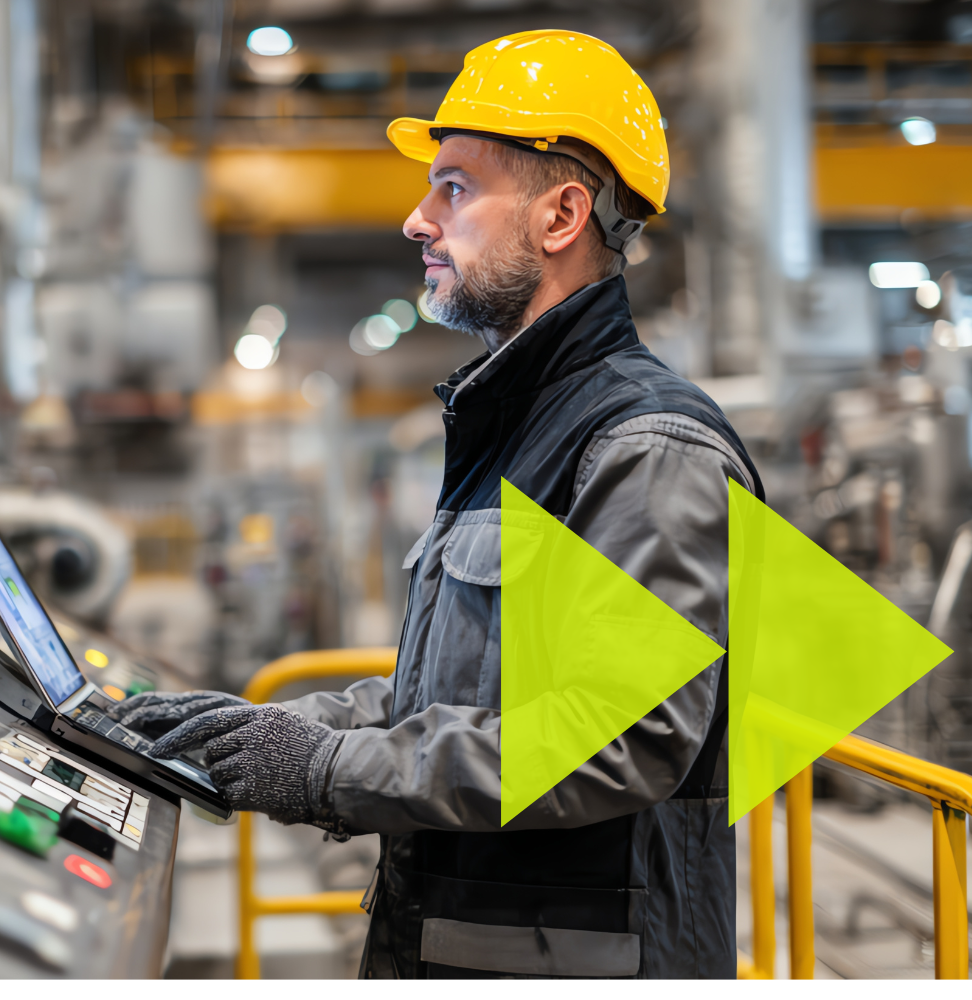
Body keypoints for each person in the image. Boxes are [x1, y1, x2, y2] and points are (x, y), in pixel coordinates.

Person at [117, 30, 762, 979]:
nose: (417, 221)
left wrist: (327, 771)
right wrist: (283, 729)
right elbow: (465, 697)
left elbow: (622, 739)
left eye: (453, 189)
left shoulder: (644, 446)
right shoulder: (515, 425)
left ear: (561, 215)